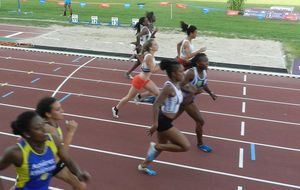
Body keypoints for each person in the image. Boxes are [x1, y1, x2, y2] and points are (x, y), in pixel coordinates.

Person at [0, 111, 90, 190]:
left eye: (43, 125)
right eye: (38, 128)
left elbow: (68, 161)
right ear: (26, 133)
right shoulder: (16, 152)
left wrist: (79, 174)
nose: (44, 130)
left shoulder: (53, 140)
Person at [138, 59, 190, 175]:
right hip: (163, 122)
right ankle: (155, 146)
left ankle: (143, 165)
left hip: (166, 120)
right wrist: (155, 124)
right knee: (185, 146)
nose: (183, 73)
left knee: (162, 147)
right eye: (181, 72)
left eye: (183, 71)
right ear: (173, 74)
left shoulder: (177, 84)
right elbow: (156, 104)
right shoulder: (169, 87)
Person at [36, 97, 86, 190]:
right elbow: (63, 154)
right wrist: (71, 132)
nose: (62, 111)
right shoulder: (49, 130)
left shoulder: (53, 124)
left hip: (55, 163)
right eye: (58, 109)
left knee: (80, 185)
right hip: (42, 167)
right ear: (48, 114)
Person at [177, 53, 217, 153]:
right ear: (198, 63)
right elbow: (179, 85)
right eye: (205, 62)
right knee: (200, 121)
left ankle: (161, 125)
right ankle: (200, 144)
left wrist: (210, 93)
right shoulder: (191, 73)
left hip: (190, 99)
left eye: (208, 61)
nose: (207, 63)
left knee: (171, 118)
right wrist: (192, 90)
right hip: (185, 100)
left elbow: (203, 84)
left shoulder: (204, 72)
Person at [113, 39, 160, 118]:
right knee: (129, 97)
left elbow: (141, 56)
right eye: (155, 44)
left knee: (157, 93)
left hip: (145, 80)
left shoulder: (149, 54)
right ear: (151, 47)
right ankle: (115, 108)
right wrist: (162, 65)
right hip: (139, 80)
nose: (157, 45)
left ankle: (139, 96)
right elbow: (153, 70)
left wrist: (140, 59)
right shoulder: (149, 56)